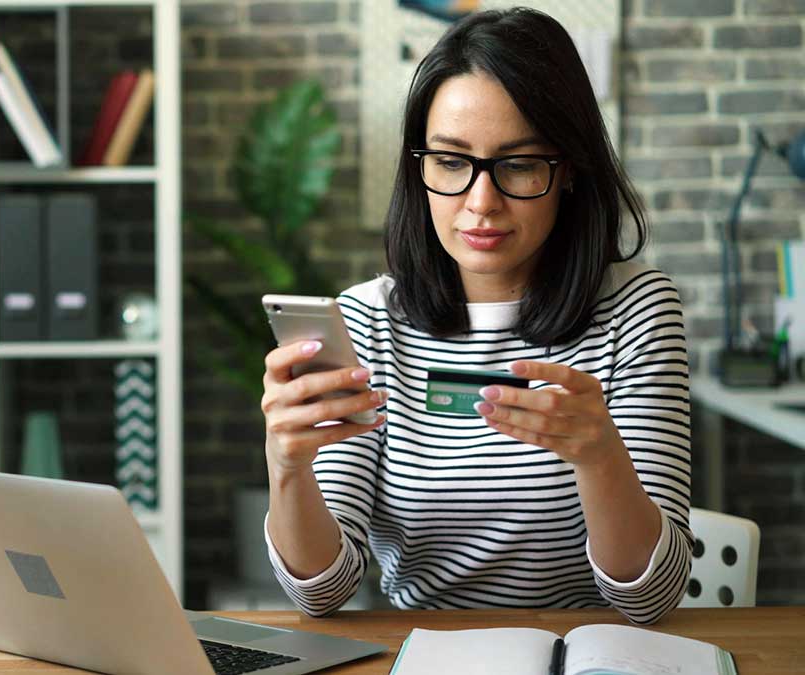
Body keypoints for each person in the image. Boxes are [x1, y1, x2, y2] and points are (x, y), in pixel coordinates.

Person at [260, 7, 690, 625]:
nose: (480, 203)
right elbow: (319, 595)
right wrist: (287, 465)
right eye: (452, 162)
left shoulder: (637, 309)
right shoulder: (365, 322)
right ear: (420, 167)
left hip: (590, 653)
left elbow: (652, 598)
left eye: (518, 164)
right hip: (420, 654)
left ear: (566, 169)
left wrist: (600, 459)